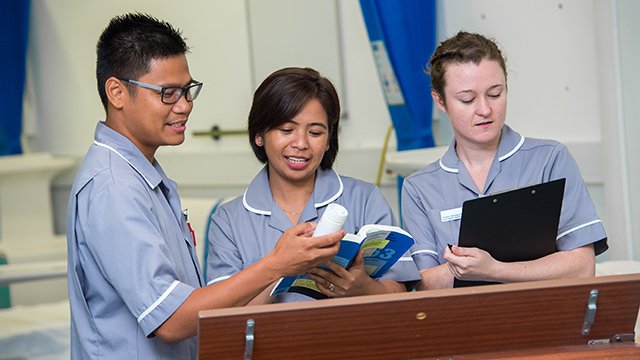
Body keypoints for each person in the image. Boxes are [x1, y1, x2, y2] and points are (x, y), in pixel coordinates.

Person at [66, 14, 343, 359]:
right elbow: (170, 320)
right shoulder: (113, 187)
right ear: (117, 92)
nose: (184, 106)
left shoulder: (141, 174)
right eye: (168, 93)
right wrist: (277, 265)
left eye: (187, 91)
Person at [401, 31, 608, 290]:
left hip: (543, 321)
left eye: (495, 94)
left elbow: (582, 268)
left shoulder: (549, 160)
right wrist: (465, 268)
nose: (485, 110)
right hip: (462, 326)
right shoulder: (419, 188)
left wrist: (493, 269)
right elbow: (422, 286)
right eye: (467, 99)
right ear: (440, 101)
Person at [206, 67, 420, 303]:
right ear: (259, 135)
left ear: (329, 140)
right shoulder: (228, 220)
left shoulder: (365, 198)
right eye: (286, 130)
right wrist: (279, 265)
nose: (301, 143)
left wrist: (363, 288)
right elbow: (222, 311)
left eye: (316, 132)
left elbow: (400, 293)